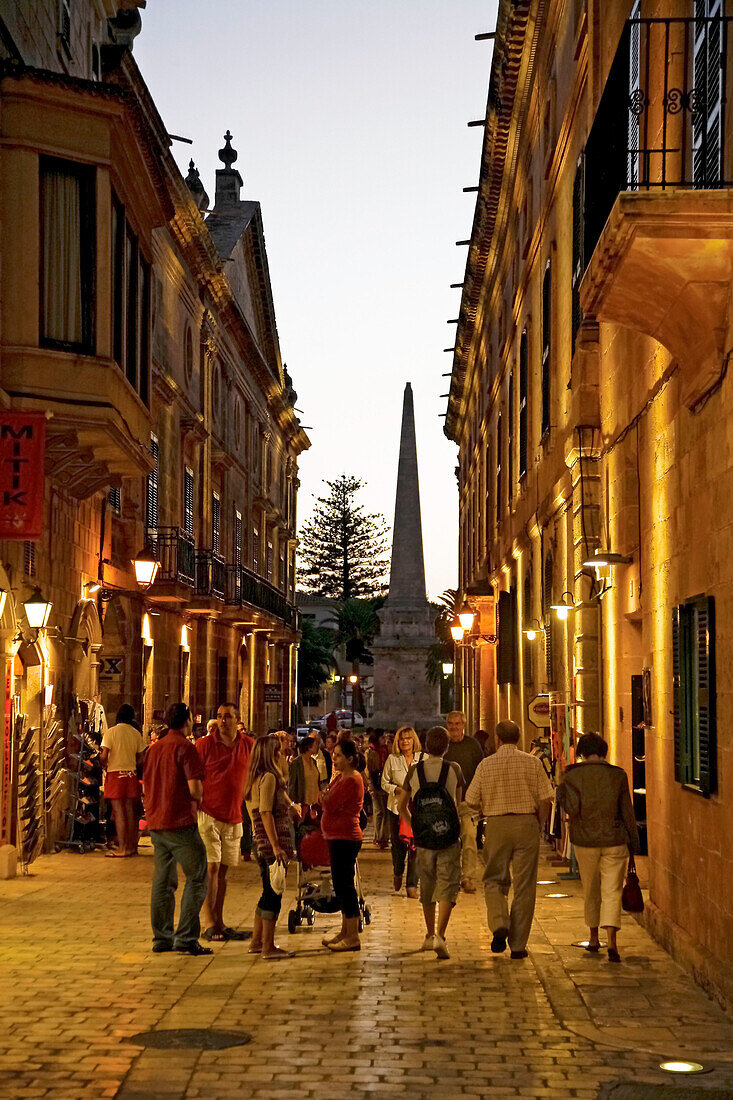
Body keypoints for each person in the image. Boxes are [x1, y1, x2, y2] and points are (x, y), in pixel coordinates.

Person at [466, 719, 554, 959]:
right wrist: (540, 823)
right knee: (525, 886)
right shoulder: (533, 763)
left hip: (496, 824)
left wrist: (489, 800)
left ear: (497, 739)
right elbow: (546, 797)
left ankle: (499, 923)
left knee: (494, 878)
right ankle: (518, 946)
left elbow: (471, 799)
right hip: (527, 823)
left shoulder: (486, 765)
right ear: (518, 738)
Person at [557, 732, 640, 962]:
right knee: (612, 890)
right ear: (604, 751)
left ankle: (594, 938)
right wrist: (634, 841)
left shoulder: (573, 776)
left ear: (582, 753)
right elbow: (627, 812)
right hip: (615, 839)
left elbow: (572, 809)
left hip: (585, 840)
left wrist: (561, 786)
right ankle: (612, 941)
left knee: (591, 889)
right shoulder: (618, 775)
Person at [142, 702, 211, 956]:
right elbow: (195, 788)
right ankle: (186, 937)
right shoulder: (185, 748)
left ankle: (161, 937)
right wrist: (200, 801)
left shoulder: (154, 749)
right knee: (198, 876)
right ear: (188, 720)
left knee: (163, 880)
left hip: (156, 821)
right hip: (180, 821)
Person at [396, 725, 463, 960]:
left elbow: (401, 805)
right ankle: (440, 936)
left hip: (424, 837)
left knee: (428, 883)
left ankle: (429, 933)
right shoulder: (454, 769)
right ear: (447, 746)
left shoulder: (415, 771)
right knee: (448, 882)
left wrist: (414, 824)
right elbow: (458, 804)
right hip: (448, 836)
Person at [195, 702, 253, 942]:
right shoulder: (205, 744)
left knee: (223, 872)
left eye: (227, 716)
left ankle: (219, 921)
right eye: (219, 716)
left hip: (233, 815)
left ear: (237, 719)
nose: (223, 721)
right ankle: (208, 923)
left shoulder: (248, 745)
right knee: (211, 868)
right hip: (208, 813)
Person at [244, 734, 299, 959]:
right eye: (279, 751)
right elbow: (265, 811)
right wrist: (276, 846)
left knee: (267, 890)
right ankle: (268, 946)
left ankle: (257, 941)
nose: (283, 753)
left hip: (264, 841)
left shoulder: (259, 778)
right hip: (270, 843)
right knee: (273, 893)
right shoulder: (267, 778)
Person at [320, 739, 365, 952]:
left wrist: (326, 799)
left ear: (349, 758)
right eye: (333, 754)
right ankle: (345, 930)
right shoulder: (340, 777)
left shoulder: (353, 780)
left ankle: (353, 935)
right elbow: (324, 796)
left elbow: (329, 802)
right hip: (335, 836)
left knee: (346, 887)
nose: (334, 758)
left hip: (345, 837)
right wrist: (325, 798)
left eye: (338, 755)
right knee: (340, 885)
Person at [444, 711, 484, 893]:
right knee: (449, 842)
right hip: (446, 803)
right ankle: (450, 876)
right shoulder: (443, 747)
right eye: (451, 724)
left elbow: (480, 770)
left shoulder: (472, 745)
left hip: (468, 802)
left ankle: (467, 877)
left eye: (457, 724)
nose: (454, 727)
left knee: (469, 838)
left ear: (464, 725)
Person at [381, 726, 423, 897]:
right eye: (402, 738)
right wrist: (395, 789)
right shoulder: (392, 759)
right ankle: (398, 871)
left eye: (408, 738)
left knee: (416, 846)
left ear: (414, 740)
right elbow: (384, 782)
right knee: (398, 847)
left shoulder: (423, 759)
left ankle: (412, 884)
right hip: (397, 808)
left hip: (416, 808)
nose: (405, 741)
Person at [100, 704, 145, 858]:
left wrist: (103, 764)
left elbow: (104, 755)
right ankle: (132, 847)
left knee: (118, 813)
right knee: (131, 813)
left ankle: (123, 848)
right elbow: (141, 758)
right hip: (131, 775)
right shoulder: (136, 733)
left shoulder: (110, 732)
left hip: (115, 774)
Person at [366, 730, 389, 849]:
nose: (384, 739)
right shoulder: (372, 753)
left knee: (381, 813)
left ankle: (379, 837)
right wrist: (371, 788)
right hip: (377, 785)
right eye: (382, 737)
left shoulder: (386, 750)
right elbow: (370, 772)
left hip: (385, 785)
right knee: (382, 813)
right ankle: (381, 838)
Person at [288, 736, 321, 809]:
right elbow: (292, 785)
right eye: (315, 745)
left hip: (315, 802)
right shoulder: (296, 763)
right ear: (309, 747)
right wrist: (293, 804)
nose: (317, 747)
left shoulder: (314, 762)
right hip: (303, 803)